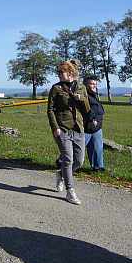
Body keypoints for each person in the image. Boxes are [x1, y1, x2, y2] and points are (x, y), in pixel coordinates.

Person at [47, 60, 90, 205]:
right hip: (62, 128)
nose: (58, 74)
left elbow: (87, 109)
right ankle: (70, 191)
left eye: (61, 72)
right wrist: (55, 127)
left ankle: (62, 173)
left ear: (70, 73)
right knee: (68, 159)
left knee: (79, 160)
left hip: (78, 128)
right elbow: (50, 110)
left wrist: (81, 99)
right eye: (58, 72)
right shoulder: (56, 88)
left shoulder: (81, 87)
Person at [83, 76, 108, 173]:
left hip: (97, 127)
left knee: (97, 148)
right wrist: (92, 118)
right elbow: (85, 109)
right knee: (77, 148)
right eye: (91, 84)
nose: (94, 86)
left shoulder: (94, 95)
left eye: (95, 84)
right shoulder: (84, 96)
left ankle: (98, 167)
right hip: (87, 127)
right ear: (85, 85)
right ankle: (62, 162)